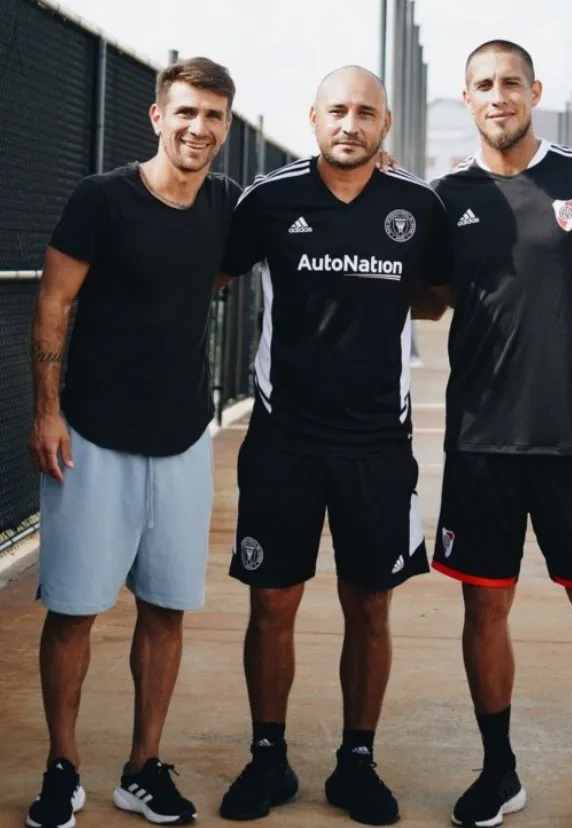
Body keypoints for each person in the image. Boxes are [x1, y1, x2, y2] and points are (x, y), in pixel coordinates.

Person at [425, 40, 572, 828]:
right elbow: (424, 299)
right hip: (480, 445)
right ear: (466, 98)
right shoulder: (444, 196)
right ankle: (499, 774)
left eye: (510, 84)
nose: (498, 96)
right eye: (483, 85)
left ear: (534, 91)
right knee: (482, 612)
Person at [217, 65, 451, 825]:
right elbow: (212, 277)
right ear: (313, 118)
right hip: (283, 439)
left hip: (378, 444)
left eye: (365, 113)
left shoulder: (417, 205)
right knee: (272, 603)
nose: (350, 124)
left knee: (370, 608)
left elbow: (436, 296)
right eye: (337, 111)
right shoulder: (268, 198)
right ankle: (268, 759)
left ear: (385, 127)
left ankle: (357, 762)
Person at [26, 57, 240, 828]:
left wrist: (372, 164)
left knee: (166, 609)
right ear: (157, 117)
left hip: (182, 440)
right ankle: (62, 766)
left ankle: (142, 769)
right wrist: (47, 412)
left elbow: (287, 221)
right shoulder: (102, 200)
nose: (199, 128)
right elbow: (52, 303)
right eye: (185, 112)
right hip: (90, 438)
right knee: (75, 610)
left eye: (213, 116)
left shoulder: (226, 206)